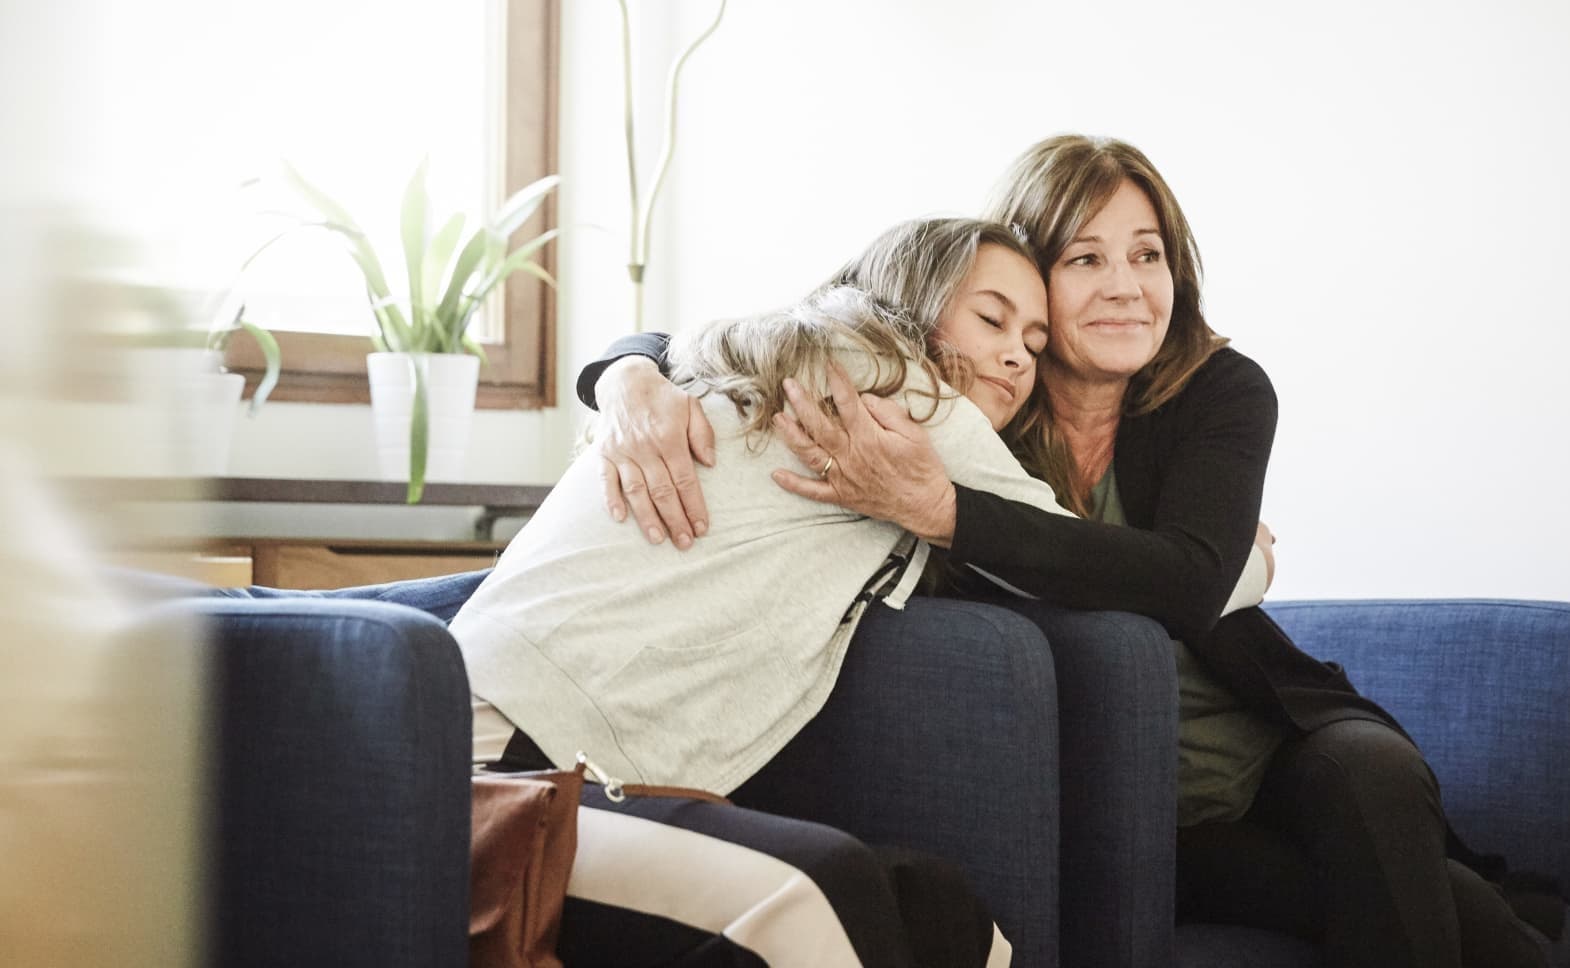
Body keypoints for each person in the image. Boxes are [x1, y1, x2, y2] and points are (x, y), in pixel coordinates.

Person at [579, 136, 1559, 968]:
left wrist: (946, 513)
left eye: (1147, 255)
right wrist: (624, 371)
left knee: (1371, 780)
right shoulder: (970, 395)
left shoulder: (1223, 393)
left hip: (1273, 740)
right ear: (1023, 266)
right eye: (1085, 259)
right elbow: (796, 320)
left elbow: (1183, 584)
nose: (1126, 287)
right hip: (1149, 795)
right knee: (1412, 898)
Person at [452, 217, 1078, 968]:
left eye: (1037, 345)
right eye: (991, 319)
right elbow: (1091, 558)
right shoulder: (894, 389)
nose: (1016, 354)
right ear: (915, 300)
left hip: (574, 773)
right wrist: (1250, 547)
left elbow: (648, 345)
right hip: (496, 781)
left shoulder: (749, 356)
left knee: (936, 908)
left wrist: (625, 367)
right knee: (820, 895)